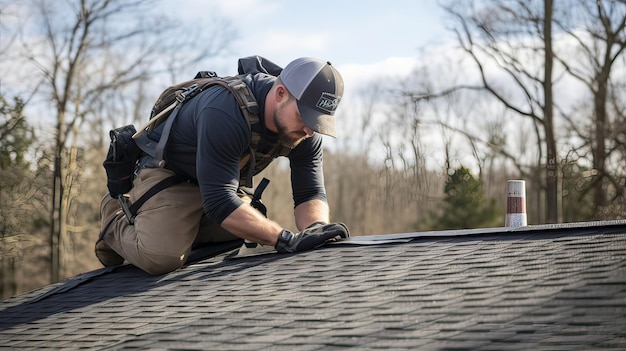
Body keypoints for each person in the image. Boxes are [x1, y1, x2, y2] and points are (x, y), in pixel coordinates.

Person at [96, 56, 350, 275]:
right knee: (162, 257)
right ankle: (114, 215)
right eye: (304, 116)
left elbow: (310, 194)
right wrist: (285, 239)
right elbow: (220, 202)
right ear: (281, 94)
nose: (309, 129)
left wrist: (316, 231)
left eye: (317, 121)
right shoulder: (226, 110)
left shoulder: (305, 130)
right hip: (170, 176)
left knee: (250, 229)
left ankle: (179, 228)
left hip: (218, 182)